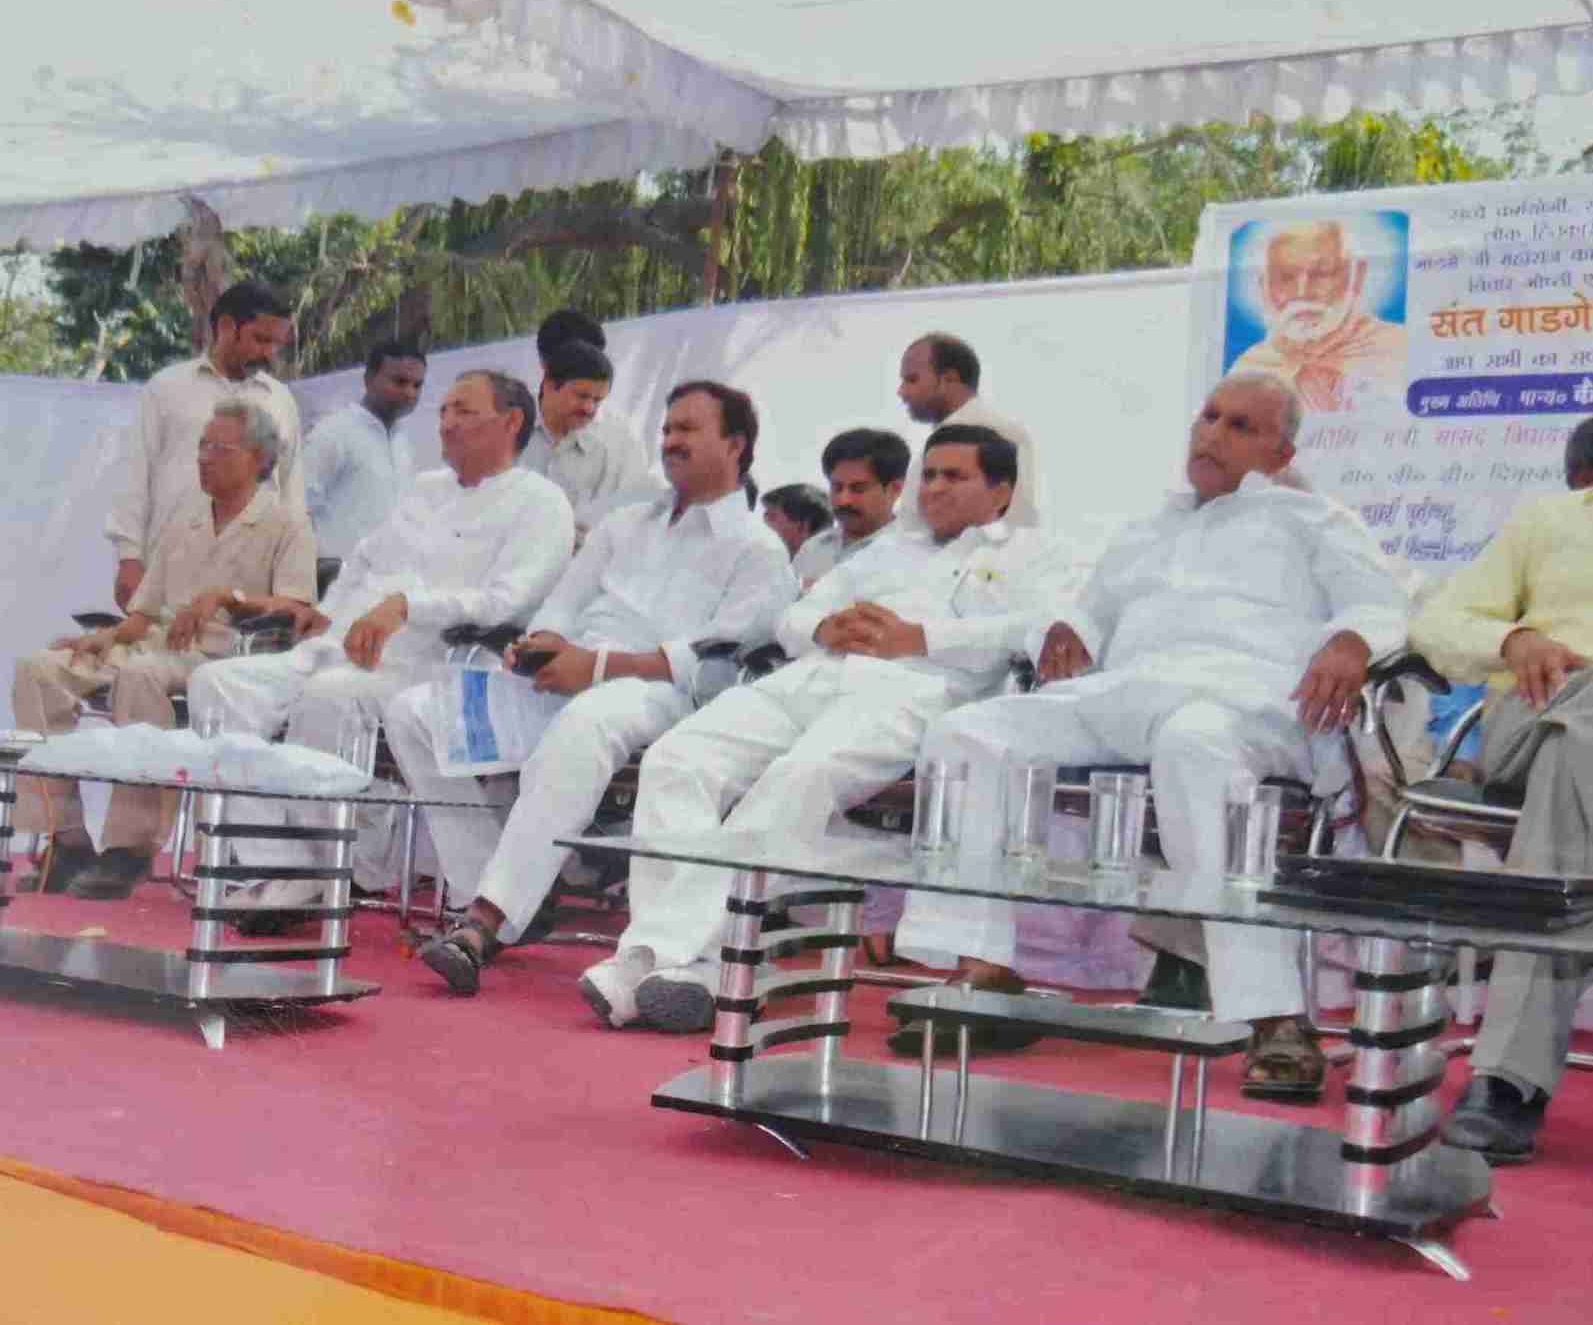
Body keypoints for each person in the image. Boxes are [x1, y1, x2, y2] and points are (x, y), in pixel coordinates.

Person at [893, 373, 1407, 1098]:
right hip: (1127, 692)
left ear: (1281, 452)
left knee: (1192, 747)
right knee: (966, 734)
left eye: (1239, 426)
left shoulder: (1314, 520)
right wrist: (1067, 628)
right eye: (1208, 416)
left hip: (1243, 700)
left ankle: (1274, 1016)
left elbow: (1380, 603)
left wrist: (1352, 641)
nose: (1211, 434)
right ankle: (982, 971)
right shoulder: (1148, 527)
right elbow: (1088, 609)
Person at [579, 424, 1068, 1032]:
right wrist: (822, 627)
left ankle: (649, 956)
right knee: (677, 758)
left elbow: (1037, 627)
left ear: (1001, 490)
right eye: (930, 475)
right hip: (811, 677)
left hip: (913, 690)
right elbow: (794, 613)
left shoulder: (1032, 552)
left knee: (799, 777)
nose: (935, 488)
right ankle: (698, 965)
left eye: (955, 476)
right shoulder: (892, 549)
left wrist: (923, 637)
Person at [390, 381, 795, 994]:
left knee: (588, 722)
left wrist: (597, 667)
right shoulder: (626, 523)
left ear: (735, 445)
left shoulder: (758, 549)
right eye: (668, 429)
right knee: (414, 711)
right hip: (566, 675)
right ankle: (492, 885)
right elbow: (564, 602)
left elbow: (712, 664)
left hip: (656, 692)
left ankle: (486, 921)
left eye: (688, 429)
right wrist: (541, 645)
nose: (671, 441)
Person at [187, 372, 575, 916]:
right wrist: (327, 614)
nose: (446, 422)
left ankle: (338, 867)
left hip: (436, 662)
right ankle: (281, 862)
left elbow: (506, 601)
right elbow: (364, 559)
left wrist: (407, 606)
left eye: (463, 411)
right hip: (339, 646)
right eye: (444, 410)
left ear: (511, 422)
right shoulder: (424, 489)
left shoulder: (540, 502)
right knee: (217, 685)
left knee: (329, 696)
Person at [9, 402, 317, 898]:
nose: (204, 457)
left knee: (141, 677)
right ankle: (65, 838)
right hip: (154, 642)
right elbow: (144, 612)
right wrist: (106, 637)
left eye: (219, 448)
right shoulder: (186, 516)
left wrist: (228, 598)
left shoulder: (286, 523)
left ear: (258, 458)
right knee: (39, 668)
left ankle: (129, 848)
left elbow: (299, 607)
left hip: (223, 655)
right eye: (202, 446)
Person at [1418, 414, 1593, 1162]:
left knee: (1569, 756)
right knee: (1579, 714)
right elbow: (1436, 621)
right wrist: (1511, 639)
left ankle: (1507, 1080)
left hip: (1564, 751)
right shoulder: (1548, 521)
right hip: (1545, 697)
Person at [105, 282, 300, 613]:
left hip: (250, 584)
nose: (269, 353)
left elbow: (292, 492)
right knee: (155, 646)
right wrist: (129, 558)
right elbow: (134, 477)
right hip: (168, 574)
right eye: (261, 339)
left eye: (276, 344)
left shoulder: (280, 400)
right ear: (226, 327)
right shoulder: (166, 389)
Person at [1229, 219, 1407, 412]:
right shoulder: (1249, 369)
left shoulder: (1399, 349)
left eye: (1322, 274)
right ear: (1264, 287)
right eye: (1286, 277)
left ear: (1356, 276)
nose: (1302, 292)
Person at [519, 315, 657, 534]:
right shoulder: (505, 425)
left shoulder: (621, 437)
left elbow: (638, 516)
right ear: (547, 370)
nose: (588, 408)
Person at [894, 333, 1041, 527]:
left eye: (912, 380)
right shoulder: (948, 433)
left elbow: (1014, 522)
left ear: (949, 379)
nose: (901, 392)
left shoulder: (996, 432)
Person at [302, 341, 427, 559]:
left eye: (417, 385)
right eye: (399, 381)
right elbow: (297, 508)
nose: (410, 393)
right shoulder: (333, 433)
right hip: (337, 573)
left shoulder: (401, 441)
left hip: (391, 573)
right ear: (368, 379)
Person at [810, 428, 911, 584]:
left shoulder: (910, 554)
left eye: (858, 489)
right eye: (837, 487)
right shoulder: (814, 548)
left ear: (895, 489)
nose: (844, 500)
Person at [760, 484, 835, 581]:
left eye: (772, 516)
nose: (765, 522)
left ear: (802, 525)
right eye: (765, 515)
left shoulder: (824, 574)